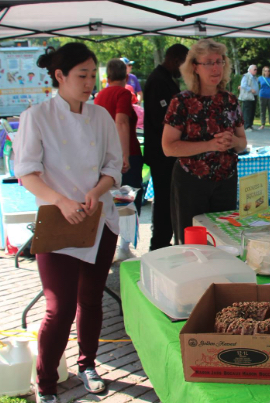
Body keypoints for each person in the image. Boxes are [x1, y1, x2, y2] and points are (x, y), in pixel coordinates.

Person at [13, 43, 122, 403]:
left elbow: (114, 165)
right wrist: (60, 201)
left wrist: (95, 192)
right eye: (82, 76)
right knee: (58, 308)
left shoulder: (101, 117)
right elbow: (27, 171)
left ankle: (88, 362)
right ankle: (46, 385)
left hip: (98, 218)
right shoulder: (37, 117)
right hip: (59, 221)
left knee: (91, 299)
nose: (90, 83)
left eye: (93, 75)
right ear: (59, 76)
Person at [163, 39, 247, 244]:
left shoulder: (230, 100)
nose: (216, 67)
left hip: (226, 181)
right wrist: (210, 145)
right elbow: (168, 147)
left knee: (225, 242)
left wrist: (233, 141)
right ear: (195, 67)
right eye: (209, 62)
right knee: (193, 245)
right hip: (192, 183)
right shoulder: (181, 102)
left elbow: (243, 143)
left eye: (220, 61)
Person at [93, 58, 143, 261]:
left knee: (110, 201)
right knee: (128, 201)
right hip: (126, 152)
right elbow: (121, 121)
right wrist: (124, 155)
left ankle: (110, 245)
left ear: (107, 76)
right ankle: (124, 246)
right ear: (125, 76)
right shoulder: (123, 93)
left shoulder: (99, 95)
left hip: (103, 155)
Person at [143, 43, 189, 251]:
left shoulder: (166, 80)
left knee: (169, 199)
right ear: (176, 60)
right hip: (161, 154)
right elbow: (160, 120)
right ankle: (159, 244)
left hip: (167, 153)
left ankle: (163, 241)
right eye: (184, 65)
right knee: (164, 200)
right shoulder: (158, 81)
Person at [238, 64, 259, 131]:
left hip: (254, 96)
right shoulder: (246, 76)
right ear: (250, 70)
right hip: (248, 96)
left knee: (252, 111)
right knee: (247, 111)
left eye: (256, 69)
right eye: (254, 69)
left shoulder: (255, 77)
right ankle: (246, 126)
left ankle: (250, 125)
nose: (256, 71)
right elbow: (243, 85)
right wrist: (250, 89)